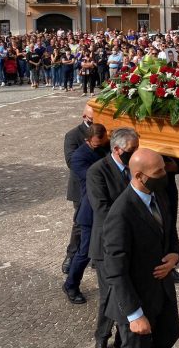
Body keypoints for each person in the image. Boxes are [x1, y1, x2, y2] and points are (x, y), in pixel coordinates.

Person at [103, 148, 179, 348]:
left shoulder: (159, 194)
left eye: (163, 169)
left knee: (170, 335)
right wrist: (135, 315)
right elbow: (115, 270)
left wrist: (174, 254)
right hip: (137, 301)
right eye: (158, 172)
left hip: (162, 295)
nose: (164, 175)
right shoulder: (121, 214)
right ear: (139, 176)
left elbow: (169, 230)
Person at [86, 127, 138, 348]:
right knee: (112, 295)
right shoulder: (97, 171)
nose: (135, 153)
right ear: (116, 149)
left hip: (131, 243)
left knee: (124, 293)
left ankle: (117, 339)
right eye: (131, 149)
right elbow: (102, 209)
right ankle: (103, 338)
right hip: (106, 245)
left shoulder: (135, 168)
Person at [64, 123, 108, 305]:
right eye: (96, 144)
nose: (100, 145)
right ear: (87, 140)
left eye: (102, 142)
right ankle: (71, 284)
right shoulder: (79, 157)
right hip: (90, 212)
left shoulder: (105, 147)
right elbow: (94, 178)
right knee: (84, 252)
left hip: (106, 210)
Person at [61, 105, 95, 275]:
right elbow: (71, 162)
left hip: (99, 186)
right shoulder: (73, 135)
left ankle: (96, 255)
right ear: (84, 116)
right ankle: (71, 255)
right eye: (92, 118)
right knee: (80, 224)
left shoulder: (104, 132)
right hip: (81, 187)